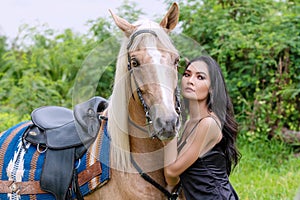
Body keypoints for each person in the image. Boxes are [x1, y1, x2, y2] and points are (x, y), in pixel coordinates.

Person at [164, 55, 241, 199]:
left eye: (200, 77)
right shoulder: (189, 123)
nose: (190, 81)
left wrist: (169, 130)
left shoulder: (208, 124)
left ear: (212, 88)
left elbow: (171, 172)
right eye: (187, 75)